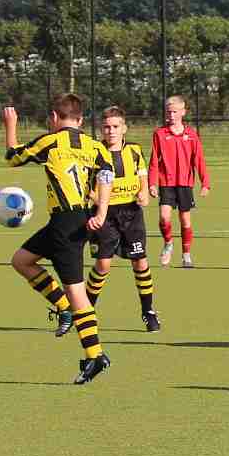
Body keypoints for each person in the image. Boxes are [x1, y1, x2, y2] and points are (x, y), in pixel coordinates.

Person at [0, 95, 116, 384]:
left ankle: (95, 355)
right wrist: (101, 212)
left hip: (66, 223)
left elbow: (13, 157)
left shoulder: (50, 142)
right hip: (77, 219)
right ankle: (63, 307)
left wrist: (10, 124)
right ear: (80, 119)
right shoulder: (95, 146)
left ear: (54, 117)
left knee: (77, 292)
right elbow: (107, 176)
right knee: (22, 260)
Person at [85, 107, 161, 333]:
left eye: (115, 126)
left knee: (140, 262)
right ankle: (85, 310)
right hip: (104, 214)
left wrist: (144, 192)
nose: (111, 131)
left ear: (124, 128)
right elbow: (86, 185)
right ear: (101, 129)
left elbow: (142, 175)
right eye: (107, 127)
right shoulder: (94, 151)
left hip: (131, 213)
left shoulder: (134, 150)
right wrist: (98, 199)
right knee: (103, 265)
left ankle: (148, 311)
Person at [151, 95, 209, 267]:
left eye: (175, 112)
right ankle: (168, 243)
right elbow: (154, 161)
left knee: (185, 220)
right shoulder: (159, 134)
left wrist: (205, 183)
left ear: (183, 112)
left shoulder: (191, 135)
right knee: (164, 217)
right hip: (166, 183)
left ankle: (186, 254)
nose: (171, 115)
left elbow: (199, 159)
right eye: (169, 112)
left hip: (185, 183)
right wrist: (152, 183)